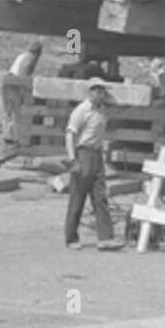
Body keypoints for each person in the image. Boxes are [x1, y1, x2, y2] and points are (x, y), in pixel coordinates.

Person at [64, 82, 123, 250]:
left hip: (97, 154)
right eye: (97, 91)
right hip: (83, 153)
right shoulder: (81, 111)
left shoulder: (101, 110)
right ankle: (71, 237)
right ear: (90, 92)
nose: (101, 94)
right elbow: (70, 135)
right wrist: (72, 160)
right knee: (78, 197)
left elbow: (116, 103)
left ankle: (105, 238)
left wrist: (107, 97)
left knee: (100, 196)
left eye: (102, 92)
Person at [2, 40, 42, 144]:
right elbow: (23, 71)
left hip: (8, 80)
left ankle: (7, 135)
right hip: (15, 82)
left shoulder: (23, 55)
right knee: (17, 110)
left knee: (8, 110)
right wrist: (24, 88)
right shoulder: (30, 58)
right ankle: (15, 136)